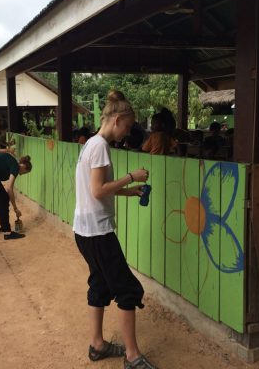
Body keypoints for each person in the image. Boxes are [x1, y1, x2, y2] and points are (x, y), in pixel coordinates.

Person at [73, 94, 157, 369]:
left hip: (84, 230)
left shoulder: (90, 145)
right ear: (117, 120)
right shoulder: (100, 147)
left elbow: (96, 189)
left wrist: (127, 192)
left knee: (100, 283)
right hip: (97, 232)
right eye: (128, 127)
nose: (128, 133)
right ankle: (132, 357)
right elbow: (98, 191)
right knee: (129, 289)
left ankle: (97, 345)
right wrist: (132, 177)